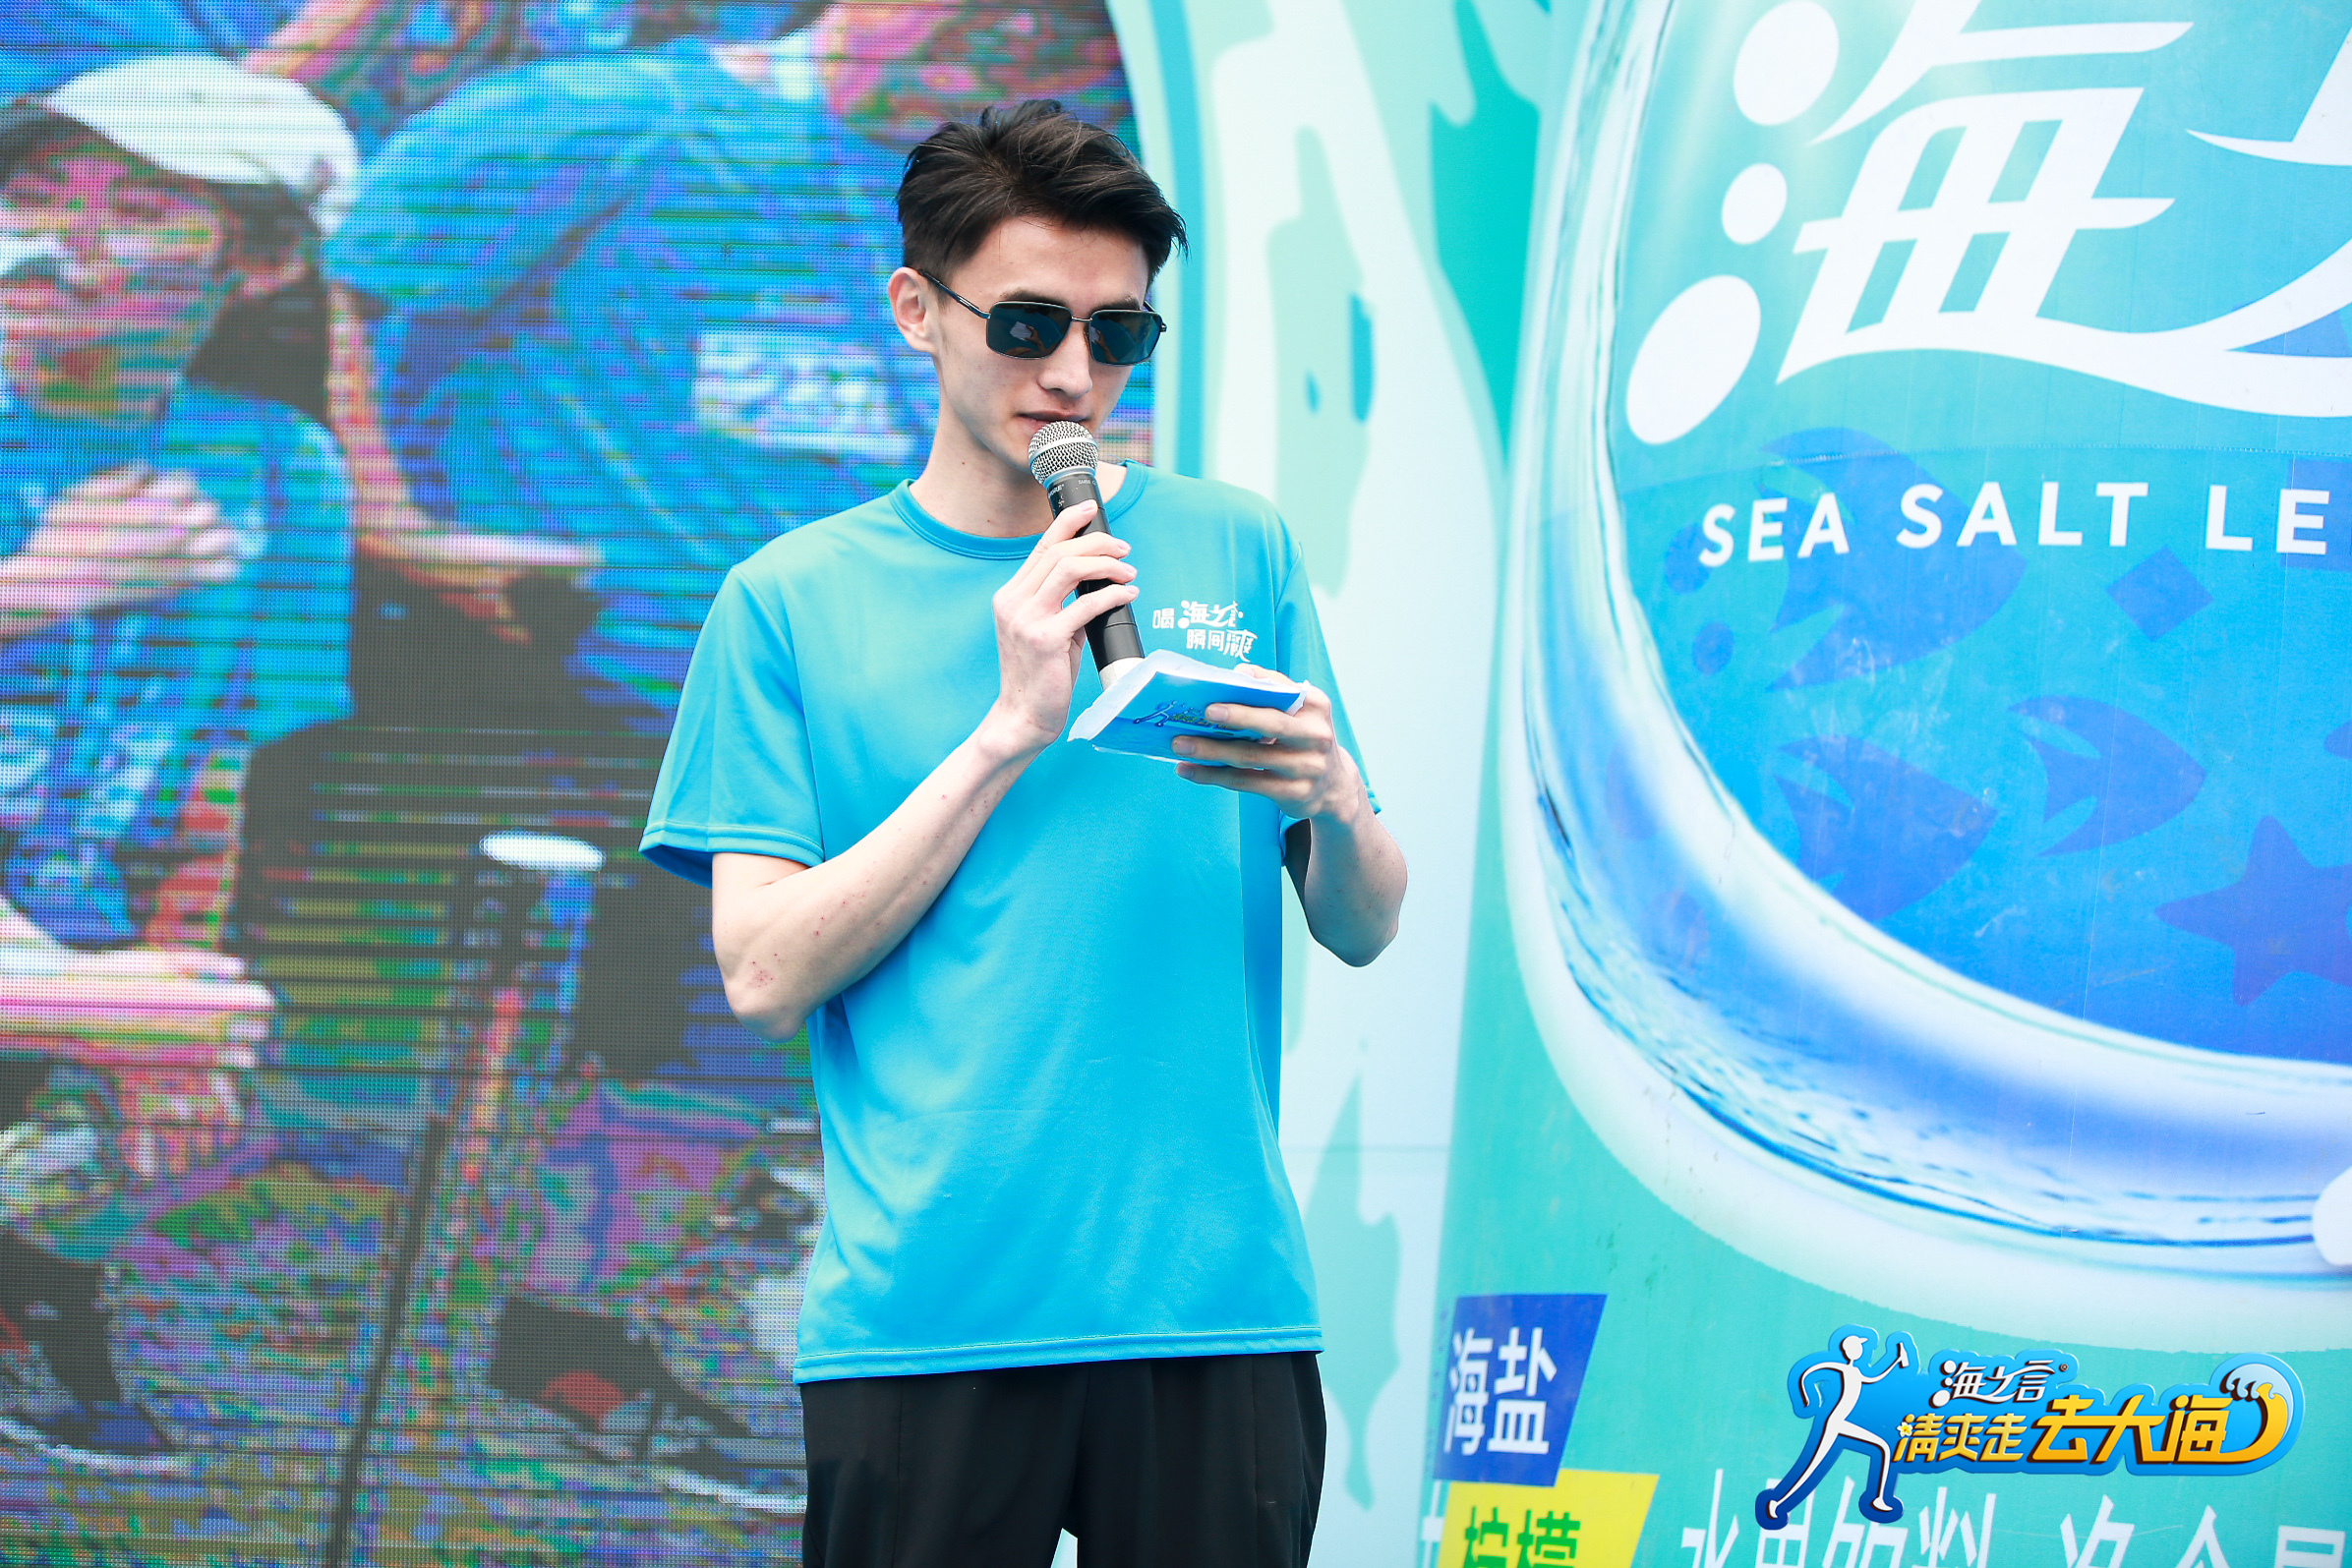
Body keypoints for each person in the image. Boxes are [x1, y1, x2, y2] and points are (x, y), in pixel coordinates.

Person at [641, 100, 1408, 1568]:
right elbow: (762, 973)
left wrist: (1337, 800)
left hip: (1216, 1311)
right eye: (1030, 324)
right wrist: (1006, 730)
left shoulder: (1237, 546)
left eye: (1119, 335)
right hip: (928, 1320)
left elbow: (1364, 925)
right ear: (917, 310)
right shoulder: (788, 600)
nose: (1072, 376)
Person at [0, 54, 356, 1471]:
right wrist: (39, 586)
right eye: (39, 193)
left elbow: (224, 764)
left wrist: (166, 998)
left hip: (72, 907)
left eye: (140, 212)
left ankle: (40, 1284)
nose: (61, 240)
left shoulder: (276, 464)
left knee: (210, 1063)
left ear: (255, 266)